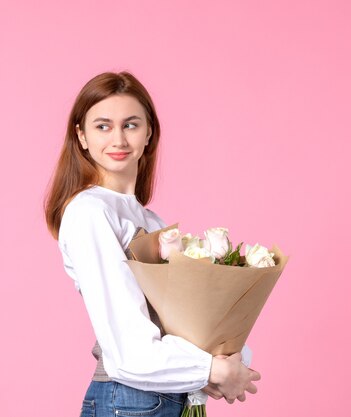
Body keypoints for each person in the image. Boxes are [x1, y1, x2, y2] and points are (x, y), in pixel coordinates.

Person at [44, 71, 260, 417]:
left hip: (168, 399)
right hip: (129, 401)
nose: (118, 139)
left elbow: (178, 325)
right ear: (81, 136)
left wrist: (231, 358)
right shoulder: (89, 212)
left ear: (149, 134)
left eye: (130, 125)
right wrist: (215, 370)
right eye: (102, 126)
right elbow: (129, 351)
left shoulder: (152, 222)